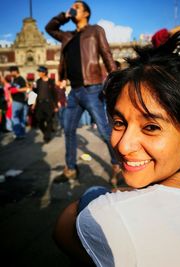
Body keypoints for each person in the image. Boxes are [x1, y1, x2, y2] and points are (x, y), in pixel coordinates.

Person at [52, 42, 180, 267]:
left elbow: (62, 230)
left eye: (151, 127)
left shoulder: (110, 216)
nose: (122, 146)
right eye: (119, 122)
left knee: (93, 193)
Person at [45, 1, 120, 183]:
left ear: (86, 13)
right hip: (74, 91)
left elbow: (106, 54)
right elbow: (50, 27)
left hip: (92, 89)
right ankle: (71, 168)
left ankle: (118, 165)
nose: (73, 7)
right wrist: (64, 15)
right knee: (69, 130)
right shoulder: (67, 36)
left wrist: (118, 81)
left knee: (104, 130)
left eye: (76, 6)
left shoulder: (95, 30)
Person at [33, 66, 58, 143]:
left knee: (49, 120)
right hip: (39, 104)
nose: (39, 73)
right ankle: (46, 132)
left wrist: (56, 105)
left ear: (44, 72)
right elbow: (34, 93)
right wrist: (33, 103)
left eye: (40, 72)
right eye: (38, 72)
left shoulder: (51, 81)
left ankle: (47, 136)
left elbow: (54, 94)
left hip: (48, 104)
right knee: (39, 119)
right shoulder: (37, 82)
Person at [9, 66, 29, 139]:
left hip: (18, 101)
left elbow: (26, 88)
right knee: (21, 118)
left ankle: (18, 133)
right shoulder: (14, 79)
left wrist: (16, 90)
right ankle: (22, 134)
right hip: (18, 101)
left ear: (15, 71)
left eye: (11, 71)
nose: (10, 73)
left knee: (14, 117)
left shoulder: (20, 79)